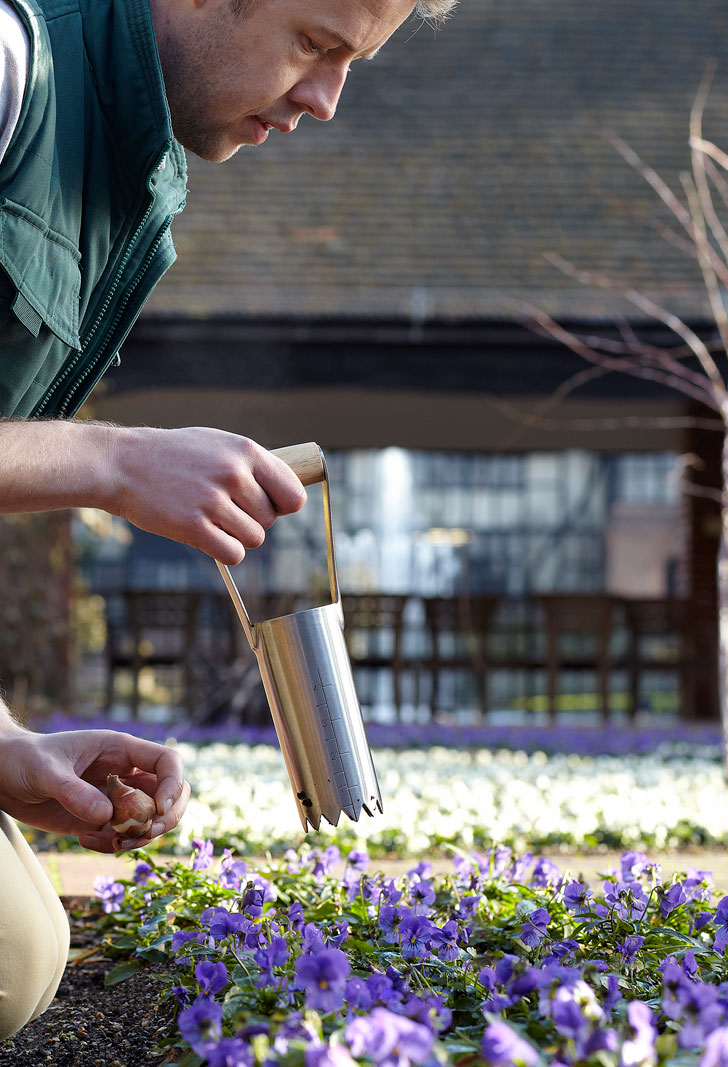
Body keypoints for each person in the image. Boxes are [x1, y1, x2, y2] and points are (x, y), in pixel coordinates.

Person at [0, 0, 456, 1040]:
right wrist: (109, 460)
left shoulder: (128, 184)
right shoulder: (10, 68)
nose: (327, 100)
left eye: (352, 63)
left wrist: (8, 744)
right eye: (312, 44)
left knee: (23, 944)